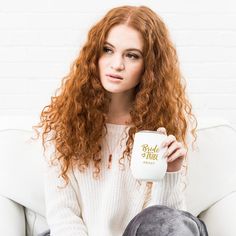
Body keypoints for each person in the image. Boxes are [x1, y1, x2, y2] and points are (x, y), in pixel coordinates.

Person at [34, 5, 208, 236]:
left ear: (149, 67)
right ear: (94, 54)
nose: (116, 64)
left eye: (132, 55)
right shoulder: (64, 125)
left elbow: (167, 223)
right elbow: (63, 215)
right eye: (107, 50)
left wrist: (171, 174)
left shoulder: (163, 128)